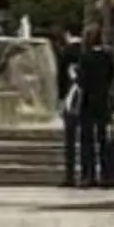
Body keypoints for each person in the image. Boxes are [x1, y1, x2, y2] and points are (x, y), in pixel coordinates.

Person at [73, 23, 114, 187]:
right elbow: (112, 75)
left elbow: (82, 80)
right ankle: (106, 174)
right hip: (103, 101)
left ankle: (88, 174)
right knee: (103, 140)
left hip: (87, 102)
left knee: (87, 141)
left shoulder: (85, 57)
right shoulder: (107, 56)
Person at [50, 25, 82, 188]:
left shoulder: (66, 53)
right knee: (87, 139)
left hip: (71, 101)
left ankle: (70, 175)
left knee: (70, 140)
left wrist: (61, 99)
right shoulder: (88, 52)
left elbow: (61, 79)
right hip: (87, 101)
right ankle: (86, 174)